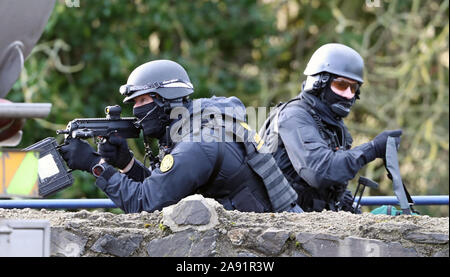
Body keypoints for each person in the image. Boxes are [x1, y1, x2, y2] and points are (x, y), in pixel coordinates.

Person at [60, 59, 301, 214]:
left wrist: (96, 165)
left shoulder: (198, 144)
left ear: (168, 100)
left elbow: (146, 204)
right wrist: (127, 164)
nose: (136, 110)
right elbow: (166, 189)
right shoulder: (199, 125)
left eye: (144, 100)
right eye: (134, 103)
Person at [260, 43, 402, 213]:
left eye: (353, 88)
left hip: (314, 221)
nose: (348, 95)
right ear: (319, 83)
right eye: (341, 85)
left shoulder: (333, 125)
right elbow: (320, 171)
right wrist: (372, 149)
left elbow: (333, 188)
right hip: (282, 224)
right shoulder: (294, 117)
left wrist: (356, 213)